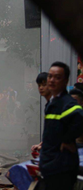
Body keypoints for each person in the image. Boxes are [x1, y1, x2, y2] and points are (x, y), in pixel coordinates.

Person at [39, 62, 83, 190]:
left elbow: (80, 117)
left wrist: (67, 139)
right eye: (50, 76)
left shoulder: (67, 103)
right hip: (50, 166)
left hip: (61, 168)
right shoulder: (53, 103)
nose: (52, 80)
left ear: (65, 81)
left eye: (57, 77)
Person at [30, 72, 51, 154]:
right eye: (39, 86)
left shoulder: (56, 105)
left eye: (44, 85)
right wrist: (41, 144)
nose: (41, 88)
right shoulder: (48, 105)